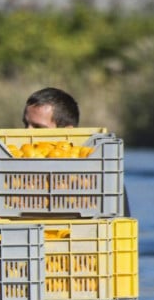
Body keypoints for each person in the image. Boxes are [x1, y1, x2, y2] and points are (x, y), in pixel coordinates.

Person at [22, 86, 131, 216]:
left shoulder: (100, 174)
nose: (26, 133)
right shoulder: (10, 168)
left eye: (38, 127)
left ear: (67, 132)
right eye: (26, 125)